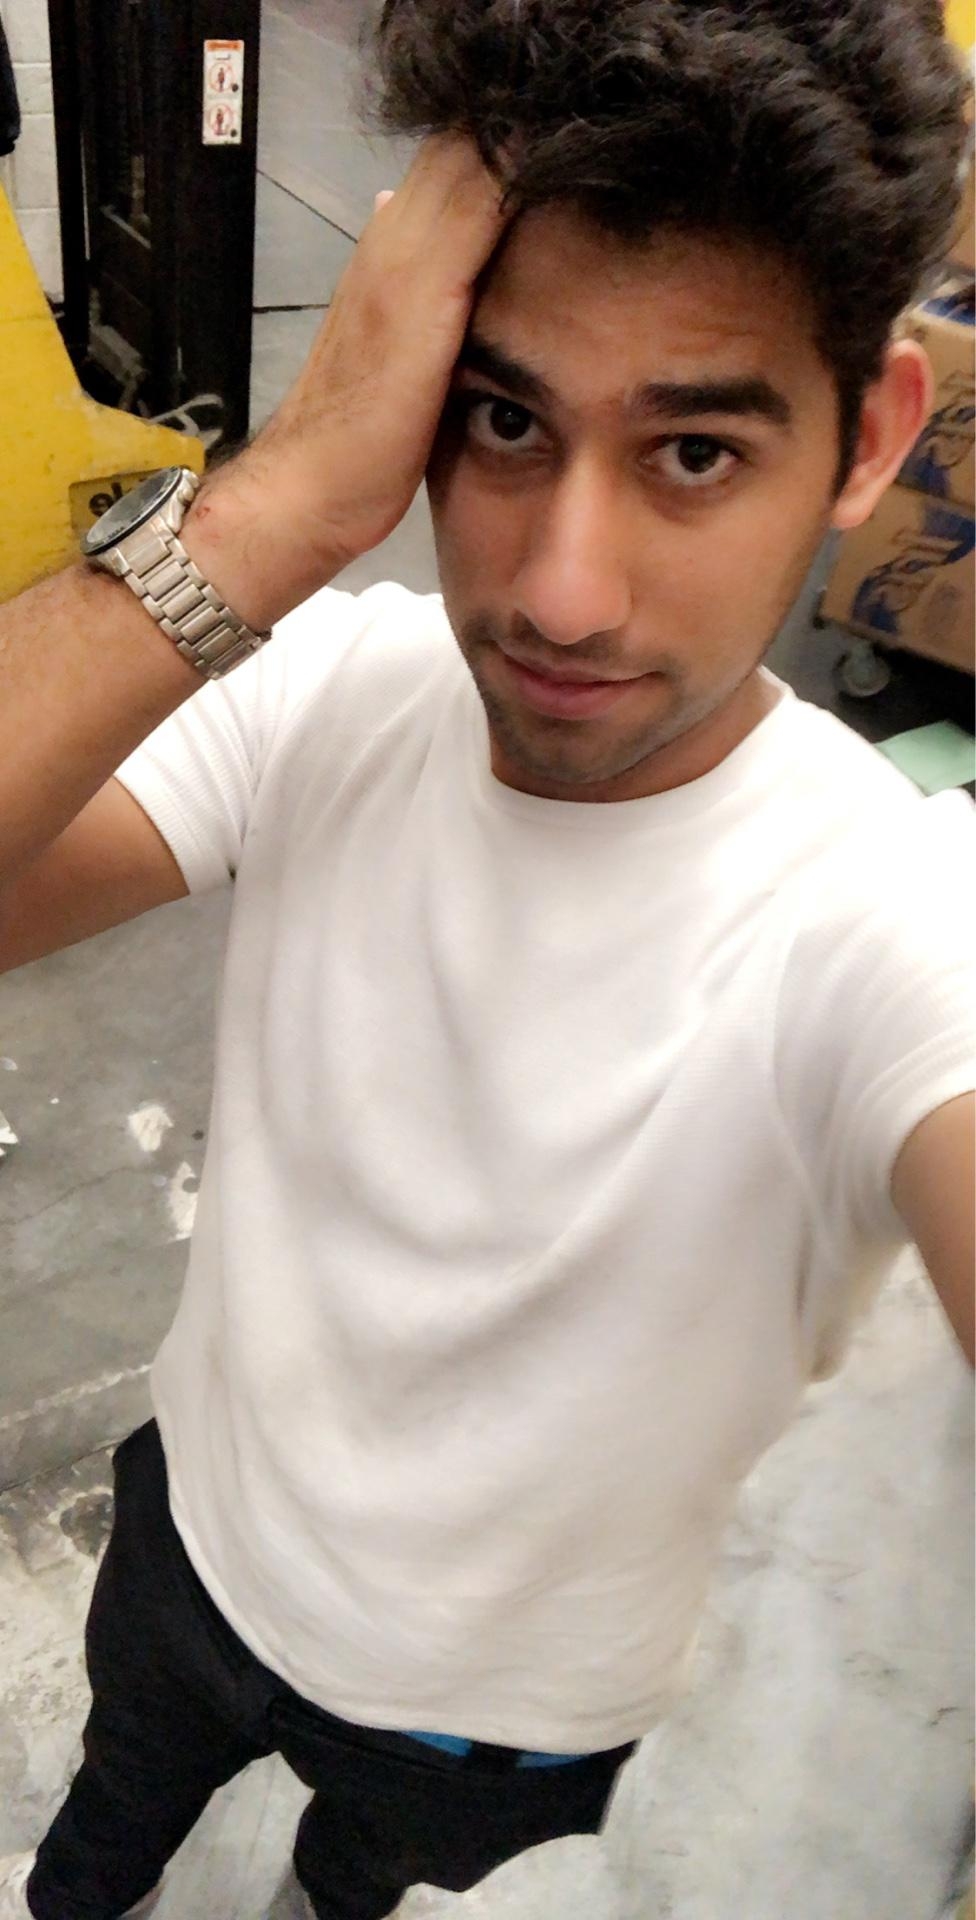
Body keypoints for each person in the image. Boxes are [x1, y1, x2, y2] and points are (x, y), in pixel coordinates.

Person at [1, 2, 974, 1916]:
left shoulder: (884, 917)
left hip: (504, 1727)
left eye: (694, 449)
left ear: (868, 437)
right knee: (99, 1844)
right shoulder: (331, 694)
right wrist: (282, 499)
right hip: (196, 1545)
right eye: (505, 420)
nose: (559, 591)